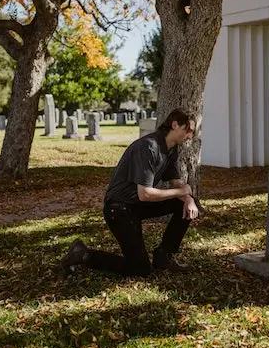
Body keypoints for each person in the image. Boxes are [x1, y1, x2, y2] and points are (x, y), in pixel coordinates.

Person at [60, 108, 199, 277]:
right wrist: (181, 191)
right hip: (119, 209)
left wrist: (188, 198)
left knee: (184, 203)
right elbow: (145, 194)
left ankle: (164, 256)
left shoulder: (171, 149)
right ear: (175, 124)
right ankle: (83, 254)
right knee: (140, 269)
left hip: (137, 204)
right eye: (188, 130)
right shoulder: (149, 147)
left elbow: (177, 182)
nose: (190, 136)